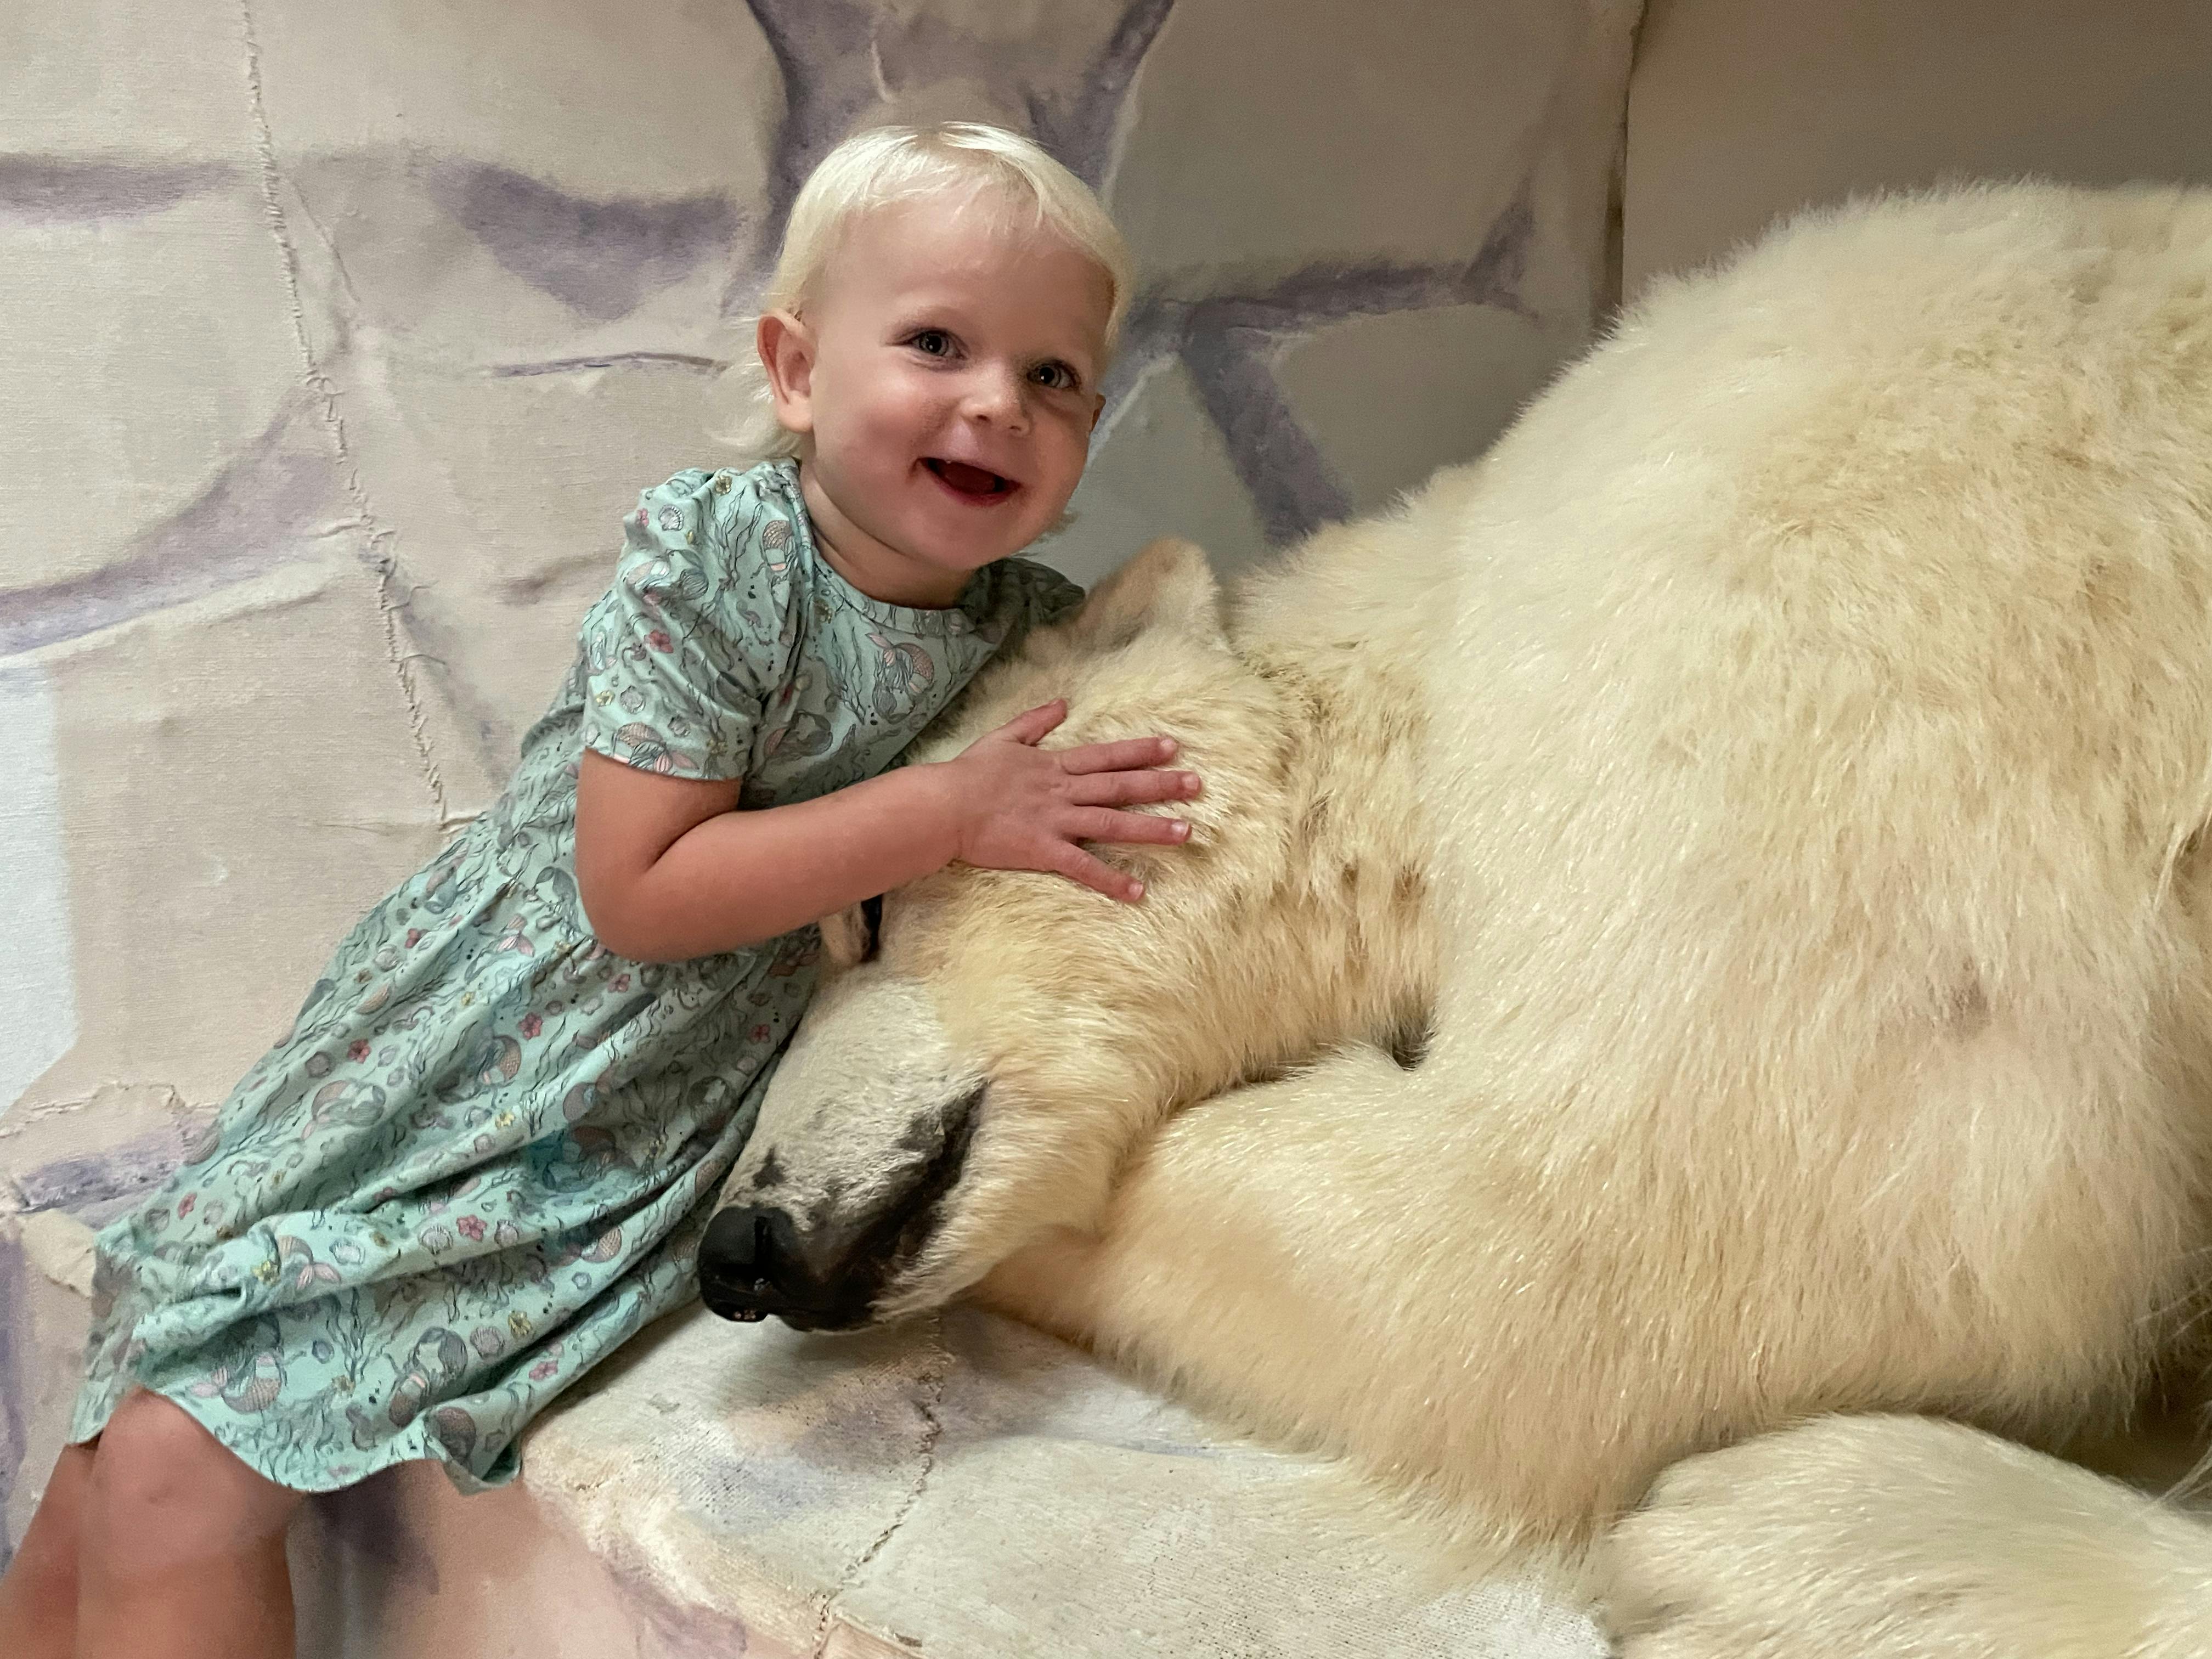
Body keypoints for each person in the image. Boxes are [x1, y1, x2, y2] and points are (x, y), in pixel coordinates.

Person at [0, 121, 1200, 1659]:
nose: (996, 401)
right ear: (795, 371)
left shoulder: (1030, 633)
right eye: (937, 342)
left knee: (175, 1461)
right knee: (125, 1416)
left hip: (625, 1111)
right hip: (479, 1049)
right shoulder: (722, 556)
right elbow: (638, 890)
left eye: (1055, 377)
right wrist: (947, 812)